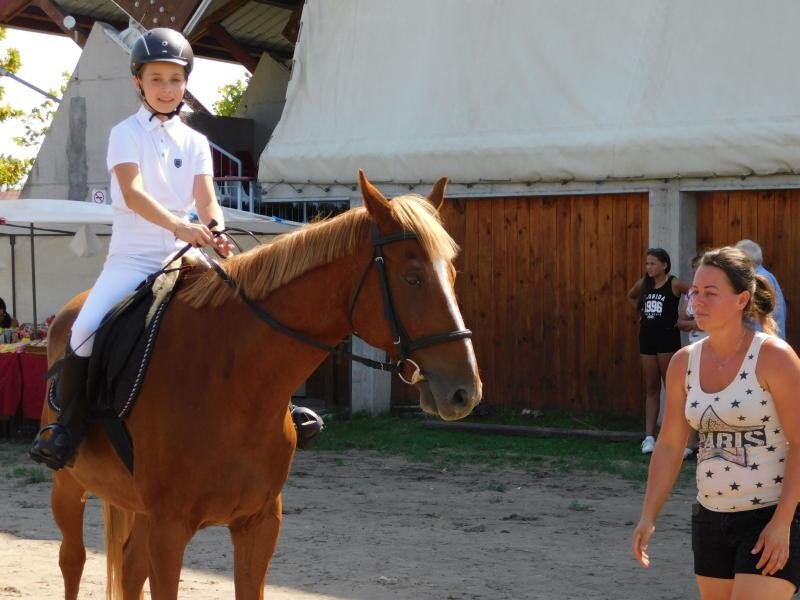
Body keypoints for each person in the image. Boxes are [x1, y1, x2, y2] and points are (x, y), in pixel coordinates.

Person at [29, 28, 321, 470]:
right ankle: (67, 427)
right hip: (133, 259)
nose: (167, 89)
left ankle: (283, 407)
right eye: (156, 79)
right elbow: (133, 194)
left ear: (185, 82)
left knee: (246, 310)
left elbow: (207, 199)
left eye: (175, 79)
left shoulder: (195, 141)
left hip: (185, 256)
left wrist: (215, 228)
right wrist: (180, 226)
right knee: (84, 328)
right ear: (138, 81)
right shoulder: (125, 134)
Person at [632, 246, 800, 599]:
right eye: (695, 291)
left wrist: (783, 522)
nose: (698, 300)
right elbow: (670, 444)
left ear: (742, 300)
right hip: (710, 517)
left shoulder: (774, 357)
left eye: (710, 292)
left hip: (770, 515)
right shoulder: (683, 363)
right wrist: (648, 515)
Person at [628, 248, 690, 455]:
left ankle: (675, 436)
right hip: (647, 338)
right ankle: (649, 437)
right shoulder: (644, 283)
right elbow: (631, 296)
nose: (649, 267)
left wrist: (686, 315)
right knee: (651, 387)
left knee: (671, 388)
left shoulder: (674, 283)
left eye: (653, 263)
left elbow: (694, 293)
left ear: (664, 265)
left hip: (667, 339)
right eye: (647, 263)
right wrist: (640, 312)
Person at [735, 239, 787, 340]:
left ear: (745, 258)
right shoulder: (766, 275)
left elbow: (758, 315)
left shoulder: (758, 279)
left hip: (763, 339)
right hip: (768, 337)